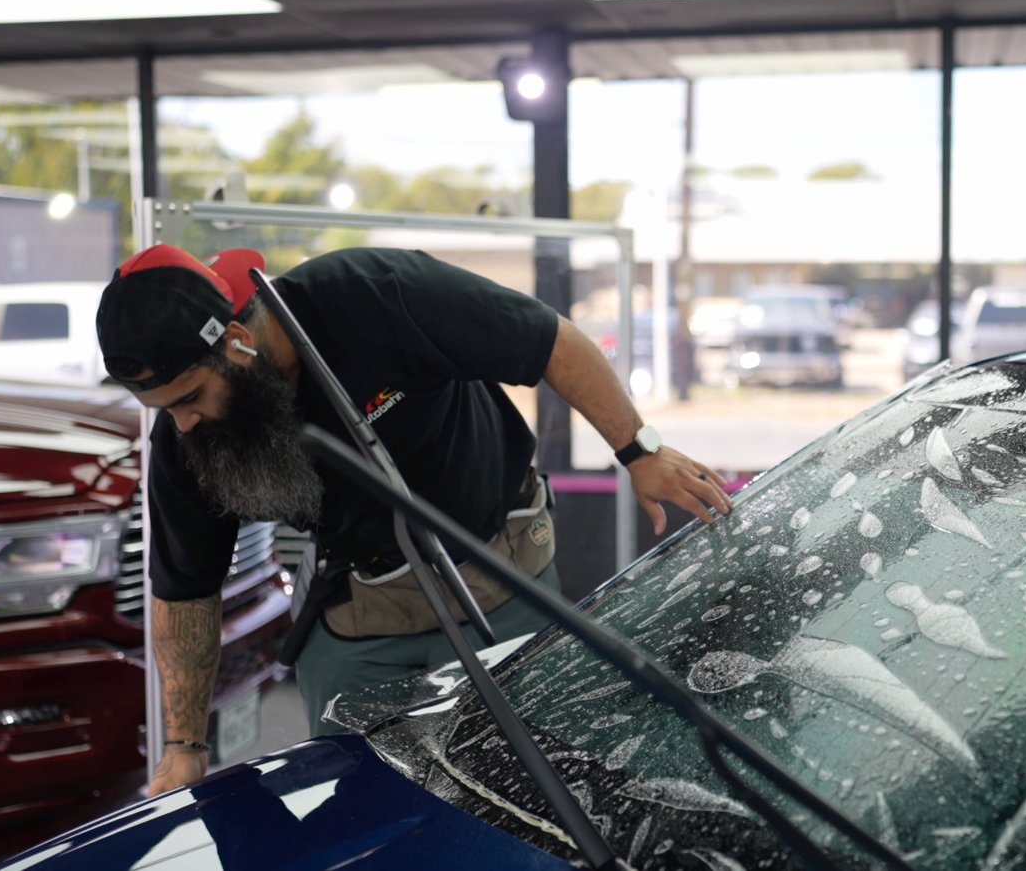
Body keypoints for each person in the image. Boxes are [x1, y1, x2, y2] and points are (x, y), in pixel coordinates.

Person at [95, 244, 731, 796]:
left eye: (188, 399)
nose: (179, 423)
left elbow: (549, 341)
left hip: (496, 574)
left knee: (539, 783)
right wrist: (184, 744)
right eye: (162, 409)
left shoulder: (374, 296)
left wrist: (637, 451)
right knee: (359, 801)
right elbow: (184, 589)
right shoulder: (187, 439)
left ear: (238, 344)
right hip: (357, 608)